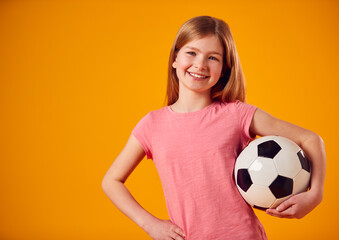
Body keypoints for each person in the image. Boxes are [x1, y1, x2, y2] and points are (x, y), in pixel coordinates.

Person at [102, 16, 326, 240]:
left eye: (213, 57)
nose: (200, 64)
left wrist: (314, 195)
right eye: (192, 53)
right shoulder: (152, 125)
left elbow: (311, 140)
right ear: (175, 58)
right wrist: (150, 224)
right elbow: (111, 181)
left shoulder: (237, 114)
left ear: (225, 68)